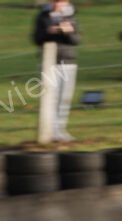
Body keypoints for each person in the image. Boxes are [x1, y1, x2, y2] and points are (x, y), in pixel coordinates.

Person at [34, 0, 80, 142]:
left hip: (67, 61)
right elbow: (36, 38)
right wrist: (49, 32)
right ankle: (50, 131)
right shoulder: (42, 16)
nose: (59, 4)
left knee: (64, 98)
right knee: (50, 98)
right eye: (56, 2)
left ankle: (60, 130)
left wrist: (68, 32)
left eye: (62, 2)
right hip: (50, 63)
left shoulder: (71, 16)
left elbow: (76, 40)